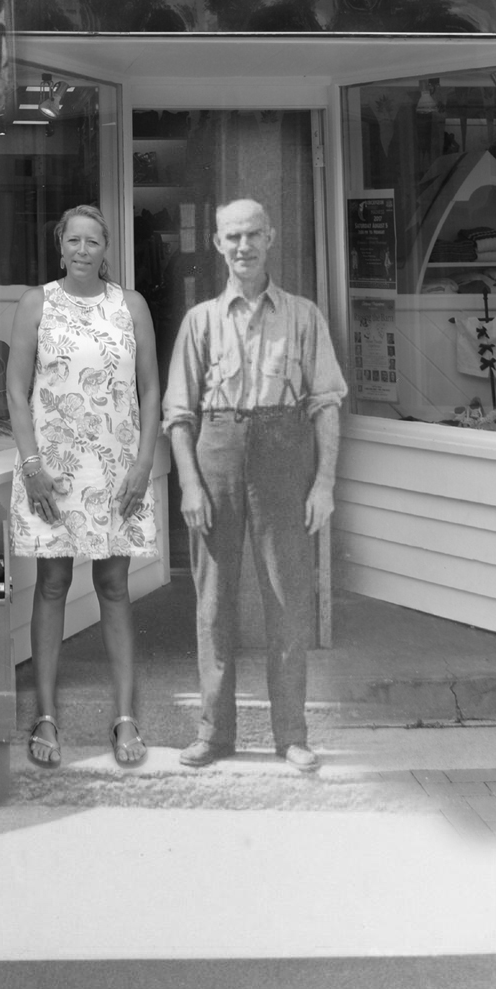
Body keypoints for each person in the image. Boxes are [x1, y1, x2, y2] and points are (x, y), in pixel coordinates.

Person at [163, 198, 347, 773]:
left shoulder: (303, 316)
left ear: (270, 238)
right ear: (216, 243)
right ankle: (214, 734)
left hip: (281, 448)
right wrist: (191, 486)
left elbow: (325, 406)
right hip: (216, 450)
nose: (242, 247)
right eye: (231, 237)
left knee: (287, 597)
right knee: (213, 601)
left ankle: (291, 733)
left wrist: (323, 483)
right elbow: (178, 414)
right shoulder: (200, 321)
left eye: (252, 235)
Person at [6, 205, 160, 770]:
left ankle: (125, 718)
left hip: (117, 469)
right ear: (60, 245)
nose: (82, 249)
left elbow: (150, 390)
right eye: (73, 239)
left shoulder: (131, 306)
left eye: (92, 241)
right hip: (52, 470)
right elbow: (16, 391)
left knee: (115, 584)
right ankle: (45, 715)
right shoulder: (36, 304)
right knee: (52, 581)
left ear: (106, 247)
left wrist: (145, 462)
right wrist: (31, 466)